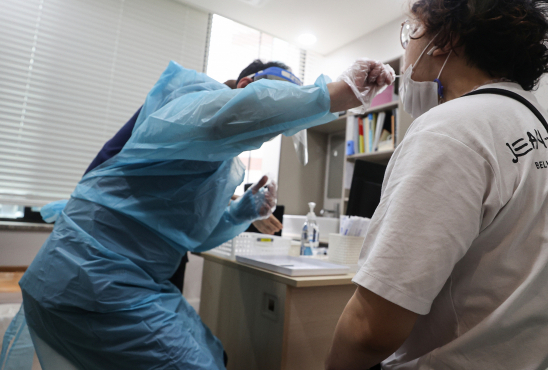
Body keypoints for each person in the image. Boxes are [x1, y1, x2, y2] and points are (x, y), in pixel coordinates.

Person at [5, 57, 394, 370]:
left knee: (214, 354)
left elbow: (193, 238)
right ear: (247, 84)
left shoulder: (216, 163)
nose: (279, 116)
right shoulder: (193, 100)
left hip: (119, 283)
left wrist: (240, 213)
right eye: (280, 97)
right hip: (91, 282)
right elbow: (234, 115)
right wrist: (332, 95)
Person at [326, 0, 548, 370]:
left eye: (413, 31)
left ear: (444, 40)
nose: (407, 50)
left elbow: (370, 328)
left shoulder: (451, 128)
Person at [81, 60, 293, 292]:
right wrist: (236, 211)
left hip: (156, 244)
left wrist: (239, 211)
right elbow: (161, 186)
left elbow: (185, 194)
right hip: (114, 238)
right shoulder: (198, 111)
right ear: (245, 85)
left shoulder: (222, 135)